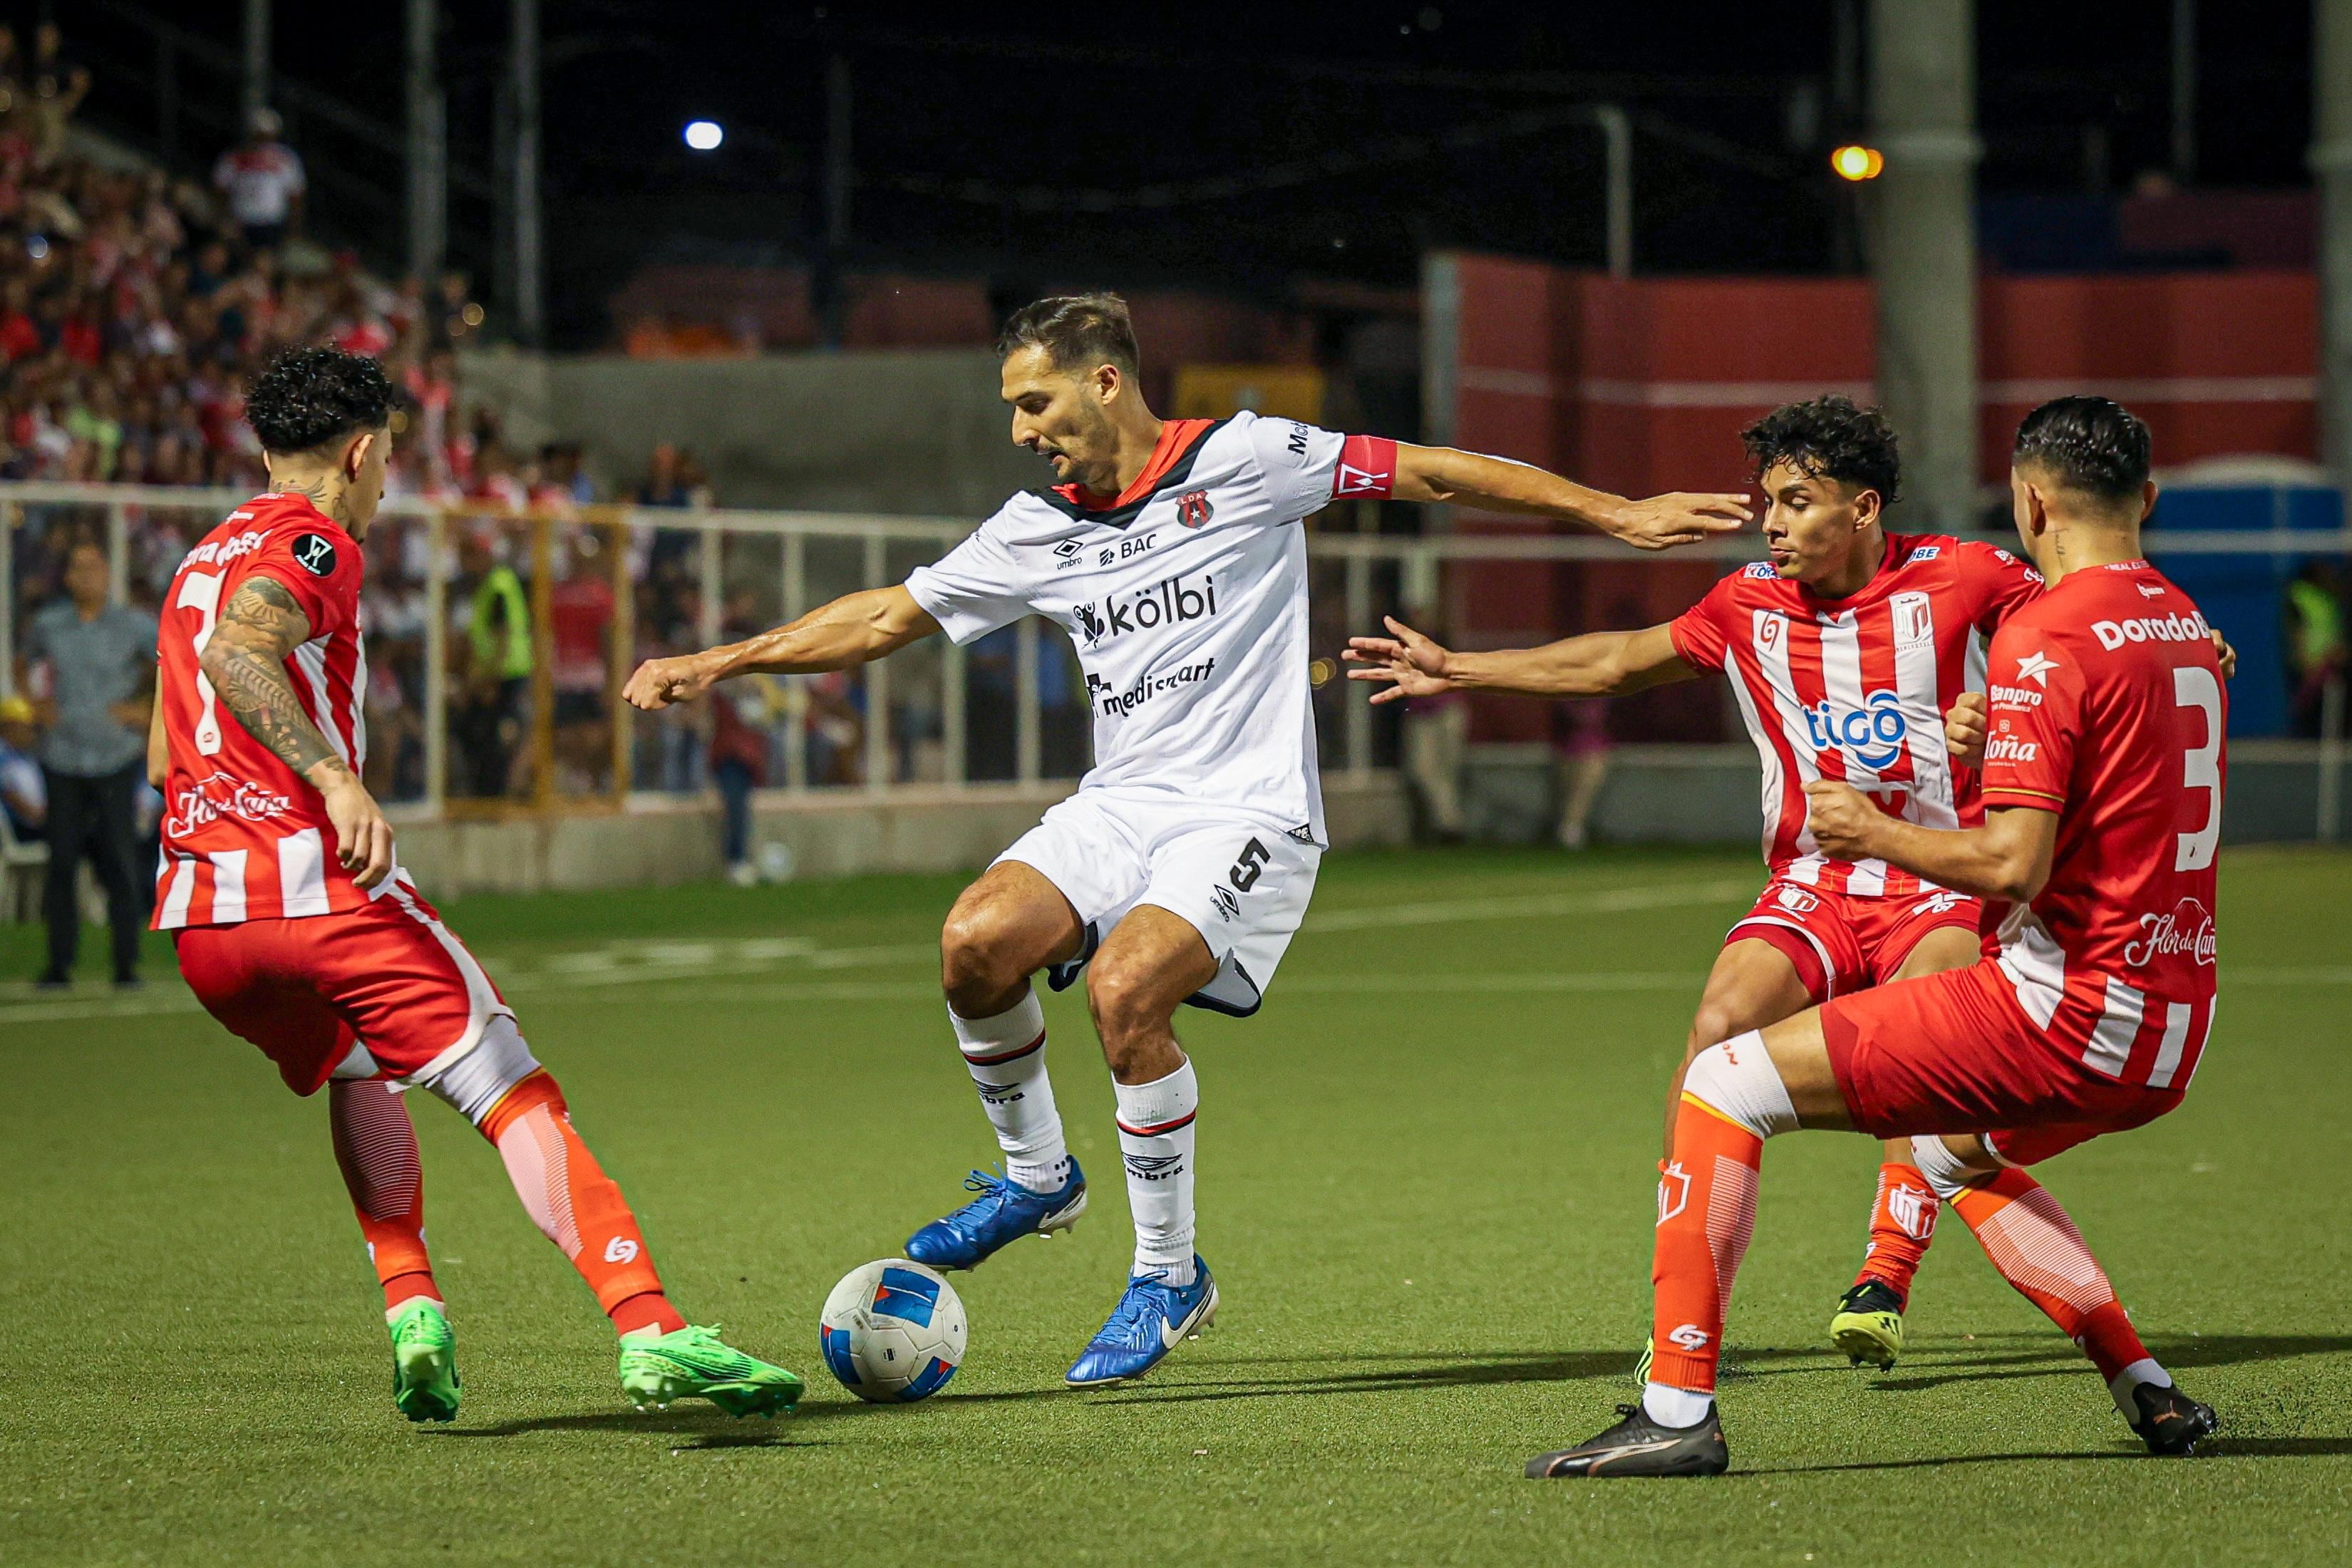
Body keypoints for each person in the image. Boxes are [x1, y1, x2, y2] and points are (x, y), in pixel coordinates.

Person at [624, 292, 1753, 1386]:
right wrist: (719, 663)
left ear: (1105, 382)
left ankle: (1168, 1275)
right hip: (1122, 804)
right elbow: (882, 616)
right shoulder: (1038, 529)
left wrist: (1618, 511)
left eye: (1035, 403)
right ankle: (1039, 1177)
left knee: (1126, 992)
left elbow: (1434, 467)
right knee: (973, 942)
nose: (1021, 432)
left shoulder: (1250, 458)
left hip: (1249, 810)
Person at [1348, 397, 2237, 1378]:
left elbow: (2086, 631)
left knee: (1931, 1049)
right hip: (1814, 881)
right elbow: (1616, 663)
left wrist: (2028, 700)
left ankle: (1884, 1275)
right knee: (1715, 1033)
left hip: (1938, 879)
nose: (1772, 522)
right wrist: (1458, 668)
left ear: (1861, 509)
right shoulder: (1745, 604)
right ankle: (1686, 1322)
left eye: (1796, 501)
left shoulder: (1968, 574)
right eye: (1767, 500)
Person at [153, 345, 798, 1425]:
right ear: (359, 453)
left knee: (362, 1066)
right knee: (511, 1086)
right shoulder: (313, 541)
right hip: (321, 893)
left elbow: (184, 711)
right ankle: (649, 1328)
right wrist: (330, 780)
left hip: (207, 924)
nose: (388, 481)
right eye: (390, 458)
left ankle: (413, 1308)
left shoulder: (195, 560)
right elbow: (240, 651)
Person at [23, 540, 156, 988]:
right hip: (61, 755)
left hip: (115, 756)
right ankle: (59, 965)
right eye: (79, 569)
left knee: (120, 861)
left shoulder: (133, 626)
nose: (87, 576)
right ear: (67, 578)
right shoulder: (48, 624)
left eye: (95, 567)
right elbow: (23, 662)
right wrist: (33, 704)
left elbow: (173, 661)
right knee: (61, 862)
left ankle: (126, 964)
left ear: (107, 573)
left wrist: (146, 709)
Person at [212, 109, 306, 253]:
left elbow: (296, 195)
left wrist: (294, 228)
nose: (263, 139)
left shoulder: (287, 159)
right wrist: (223, 218)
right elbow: (220, 189)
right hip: (241, 220)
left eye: (267, 134)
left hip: (272, 223)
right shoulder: (234, 156)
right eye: (260, 133)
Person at [1, 693, 45, 840]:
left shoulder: (26, 756)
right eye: (27, 727)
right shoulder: (4, 759)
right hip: (21, 830)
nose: (31, 733)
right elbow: (11, 796)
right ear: (10, 726)